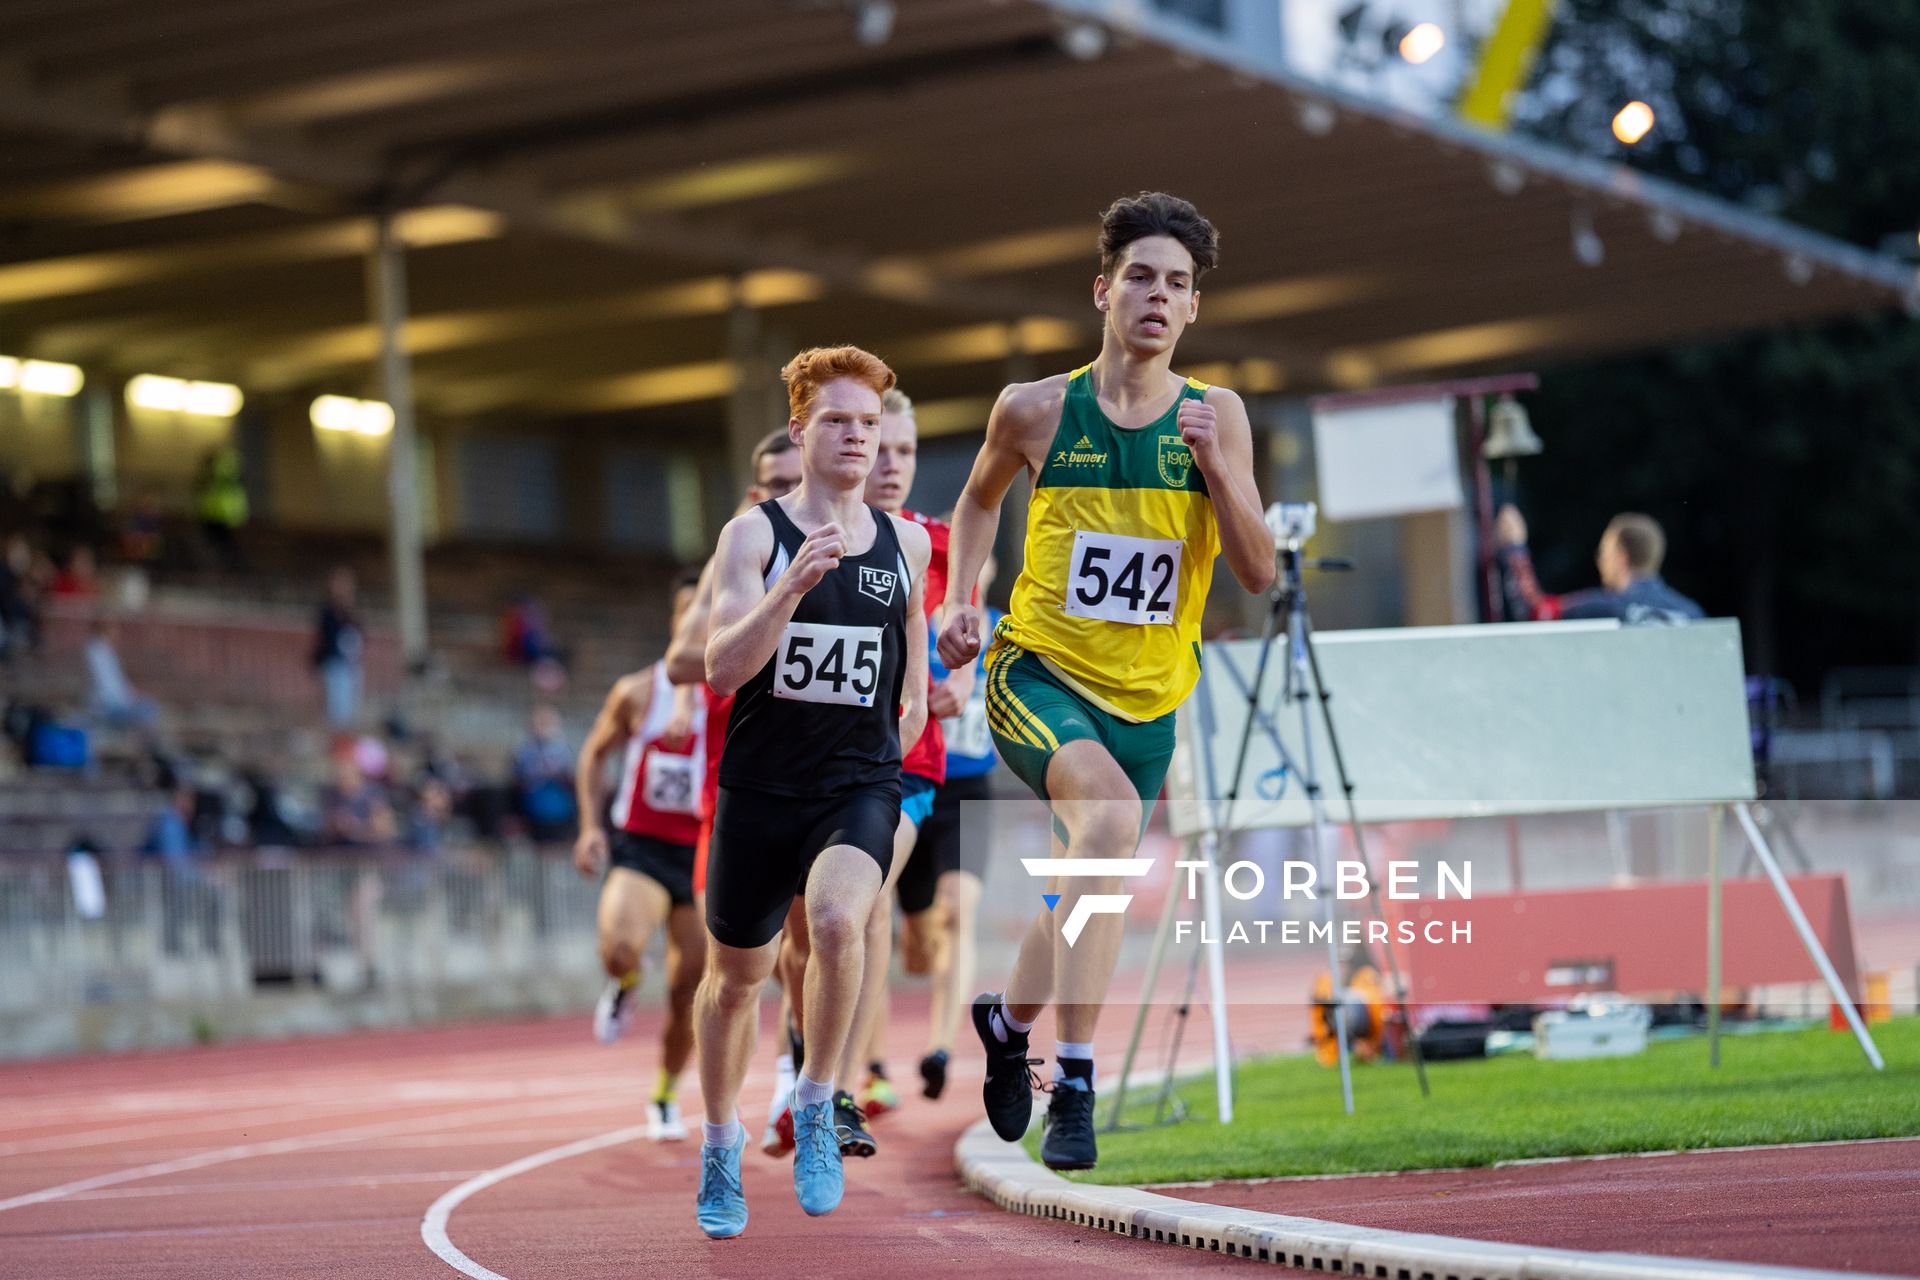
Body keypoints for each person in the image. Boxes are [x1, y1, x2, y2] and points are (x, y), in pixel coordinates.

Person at [936, 192, 1276, 1171]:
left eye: (1178, 283)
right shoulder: (1036, 409)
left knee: (1085, 883)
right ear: (1103, 289)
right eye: (1141, 277)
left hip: (1149, 701)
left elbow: (1255, 569)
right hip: (1036, 673)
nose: (1158, 296)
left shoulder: (1220, 418)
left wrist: (1220, 471)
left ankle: (1006, 1019)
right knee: (1113, 831)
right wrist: (966, 595)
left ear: (1194, 309)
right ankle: (1076, 1077)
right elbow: (975, 501)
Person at [692, 345, 929, 1238]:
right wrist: (790, 589)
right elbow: (721, 668)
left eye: (869, 424)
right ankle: (720, 1142)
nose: (858, 439)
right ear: (801, 429)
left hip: (857, 784)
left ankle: (820, 1102)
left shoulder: (904, 541)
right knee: (734, 980)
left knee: (837, 919)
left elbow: (907, 650)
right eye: (838, 421)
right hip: (760, 788)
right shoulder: (755, 536)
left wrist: (907, 717)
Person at [662, 430, 811, 1159]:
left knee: (818, 938)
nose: (791, 490)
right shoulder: (740, 554)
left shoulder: (848, 543)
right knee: (729, 969)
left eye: (799, 477)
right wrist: (770, 616)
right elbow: (686, 659)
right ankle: (723, 1118)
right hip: (736, 791)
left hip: (818, 780)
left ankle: (798, 1081)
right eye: (777, 481)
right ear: (757, 492)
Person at [572, 571, 708, 1142]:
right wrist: (588, 827)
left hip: (706, 850)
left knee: (690, 990)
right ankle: (626, 980)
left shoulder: (739, 691)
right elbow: (592, 756)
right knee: (618, 946)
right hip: (643, 846)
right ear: (677, 623)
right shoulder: (635, 693)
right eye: (689, 614)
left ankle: (664, 1095)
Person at [902, 550, 1002, 1100]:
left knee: (960, 911)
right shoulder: (916, 622)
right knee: (918, 949)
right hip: (916, 785)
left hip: (970, 790)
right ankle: (913, 941)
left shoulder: (1003, 631)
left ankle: (941, 1047)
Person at [1497, 505, 1704, 624]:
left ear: (1621, 558)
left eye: (1604, 552)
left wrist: (1515, 548)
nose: (1599, 561)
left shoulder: (1605, 607)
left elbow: (1535, 612)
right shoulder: (1693, 614)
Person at [512, 705, 576, 841]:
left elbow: (568, 776)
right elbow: (521, 779)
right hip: (534, 809)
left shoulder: (562, 750)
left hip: (560, 808)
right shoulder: (525, 752)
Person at [312, 567, 364, 728]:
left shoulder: (351, 611)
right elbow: (325, 636)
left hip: (350, 663)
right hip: (334, 662)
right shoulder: (328, 611)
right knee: (335, 706)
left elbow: (359, 634)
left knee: (350, 705)